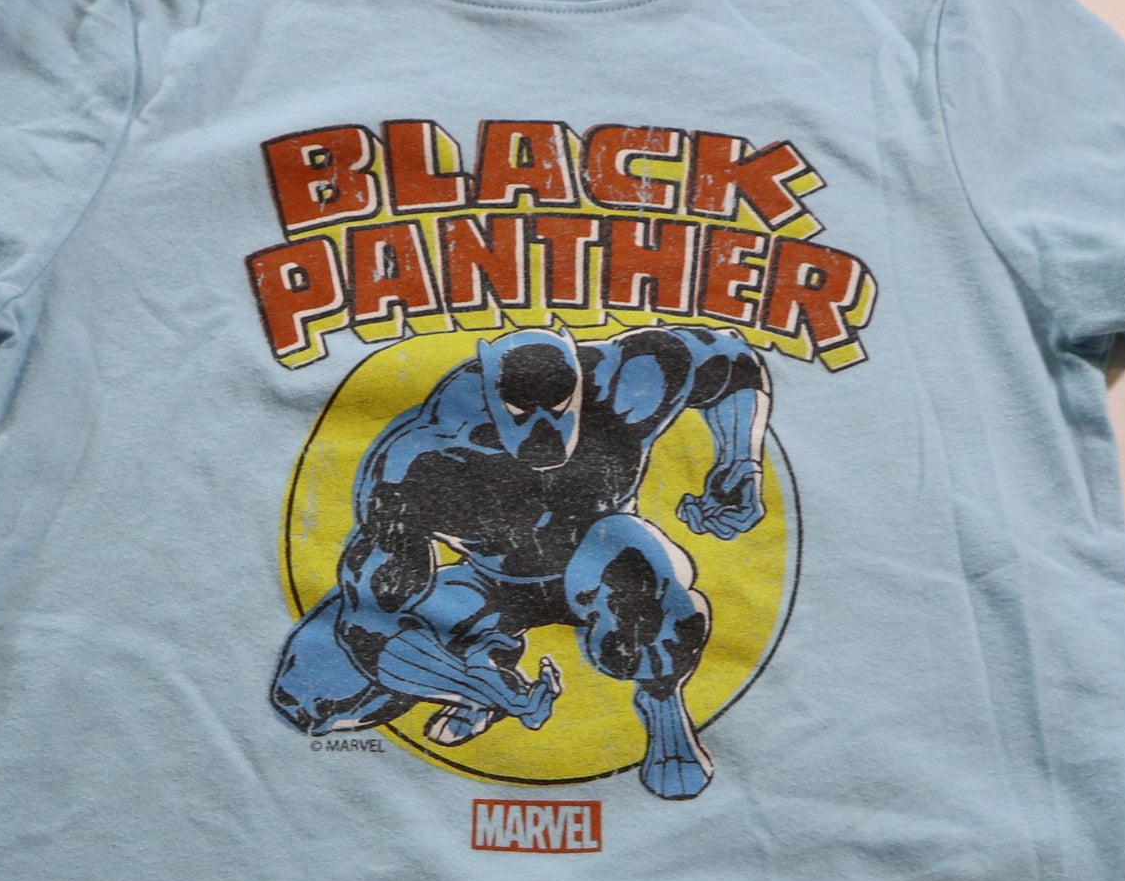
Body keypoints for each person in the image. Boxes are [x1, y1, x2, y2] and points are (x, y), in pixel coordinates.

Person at [270, 322, 772, 799]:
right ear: (490, 396)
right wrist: (474, 686)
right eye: (520, 413)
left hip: (603, 557)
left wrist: (739, 462)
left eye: (558, 407)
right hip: (493, 582)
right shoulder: (423, 460)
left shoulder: (625, 382)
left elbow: (732, 360)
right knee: (308, 692)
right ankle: (484, 671)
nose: (542, 431)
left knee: (629, 556)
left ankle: (661, 700)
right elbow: (371, 623)